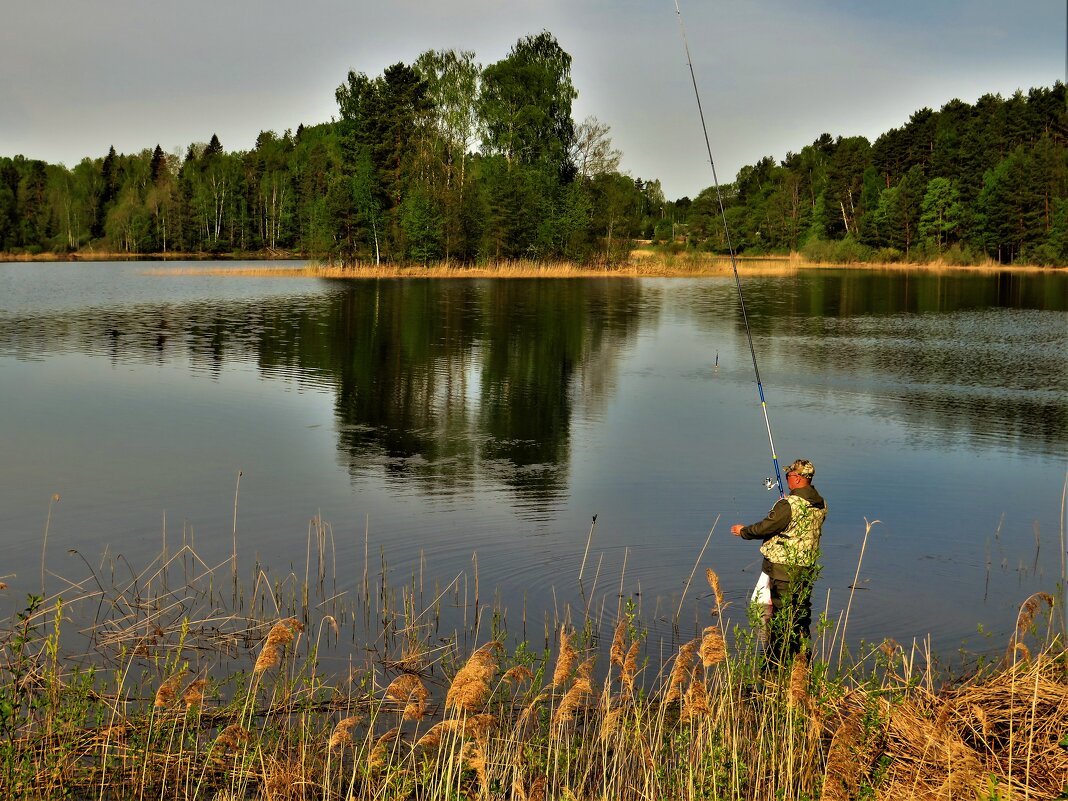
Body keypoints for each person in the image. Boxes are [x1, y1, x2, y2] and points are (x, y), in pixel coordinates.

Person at [731, 459, 827, 663]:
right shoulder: (820, 503)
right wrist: (788, 503)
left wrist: (743, 531)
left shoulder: (788, 505)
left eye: (788, 476)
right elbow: (798, 520)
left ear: (798, 478)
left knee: (782, 615)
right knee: (801, 613)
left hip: (784, 569)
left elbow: (767, 527)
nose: (786, 479)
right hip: (806, 567)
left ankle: (777, 662)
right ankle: (802, 660)